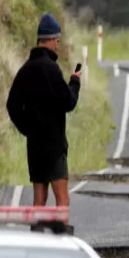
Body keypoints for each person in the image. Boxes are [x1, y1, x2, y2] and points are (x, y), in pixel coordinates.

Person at [6, 13, 81, 210]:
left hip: (35, 146)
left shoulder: (25, 70)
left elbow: (12, 106)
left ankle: (36, 239)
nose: (57, 45)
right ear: (51, 39)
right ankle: (61, 240)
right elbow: (69, 102)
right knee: (62, 200)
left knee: (39, 200)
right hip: (54, 147)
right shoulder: (52, 69)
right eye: (57, 41)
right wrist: (74, 81)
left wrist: (28, 129)